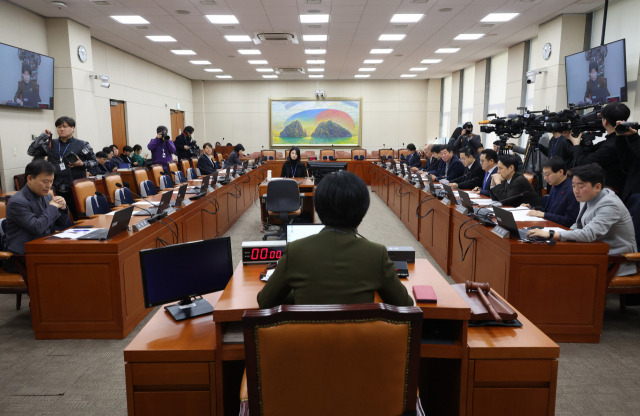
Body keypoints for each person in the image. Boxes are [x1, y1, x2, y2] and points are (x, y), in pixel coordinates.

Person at [257, 171, 413, 308]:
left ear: (318, 209)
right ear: (362, 212)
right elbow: (404, 304)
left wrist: (298, 293)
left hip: (307, 341)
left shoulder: (295, 251)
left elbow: (264, 301)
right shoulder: (377, 254)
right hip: (357, 341)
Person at [528, 163, 637, 276]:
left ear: (597, 187)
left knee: (558, 270)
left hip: (615, 261)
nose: (575, 190)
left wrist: (552, 234)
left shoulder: (609, 204)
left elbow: (589, 234)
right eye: (574, 186)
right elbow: (578, 224)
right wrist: (564, 235)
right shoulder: (587, 197)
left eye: (580, 186)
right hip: (594, 252)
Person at [5, 160, 69, 256]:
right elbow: (37, 228)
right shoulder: (17, 202)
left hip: (45, 247)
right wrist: (52, 207)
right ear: (30, 178)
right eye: (45, 181)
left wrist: (63, 208)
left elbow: (61, 223)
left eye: (51, 181)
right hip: (24, 256)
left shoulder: (47, 196)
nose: (49, 186)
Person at [41, 116, 97, 220]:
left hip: (75, 187)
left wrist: (82, 164)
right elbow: (31, 151)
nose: (61, 129)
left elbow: (94, 161)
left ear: (73, 128)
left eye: (65, 126)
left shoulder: (82, 144)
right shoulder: (50, 144)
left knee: (80, 217)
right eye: (58, 126)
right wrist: (42, 137)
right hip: (55, 187)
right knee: (58, 218)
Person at [570, 102, 627, 194]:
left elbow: (583, 165)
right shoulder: (628, 140)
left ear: (605, 121)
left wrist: (576, 145)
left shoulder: (610, 146)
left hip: (614, 193)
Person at [523, 157, 579, 228]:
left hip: (561, 231)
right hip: (549, 226)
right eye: (544, 175)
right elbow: (549, 211)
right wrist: (532, 208)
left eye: (547, 174)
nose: (545, 178)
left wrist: (544, 215)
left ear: (560, 172)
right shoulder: (554, 186)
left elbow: (569, 220)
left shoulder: (572, 190)